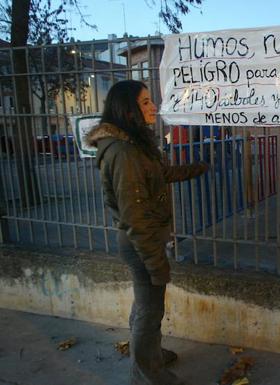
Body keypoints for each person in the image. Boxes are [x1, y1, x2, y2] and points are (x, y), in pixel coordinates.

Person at [87, 80, 208, 385]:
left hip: (145, 239)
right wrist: (155, 261)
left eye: (151, 101)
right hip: (142, 241)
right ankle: (149, 374)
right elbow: (135, 217)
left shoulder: (135, 145)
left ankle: (150, 355)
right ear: (127, 109)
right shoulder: (125, 153)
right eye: (145, 103)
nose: (153, 107)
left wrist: (198, 168)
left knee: (146, 306)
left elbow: (161, 174)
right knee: (150, 310)